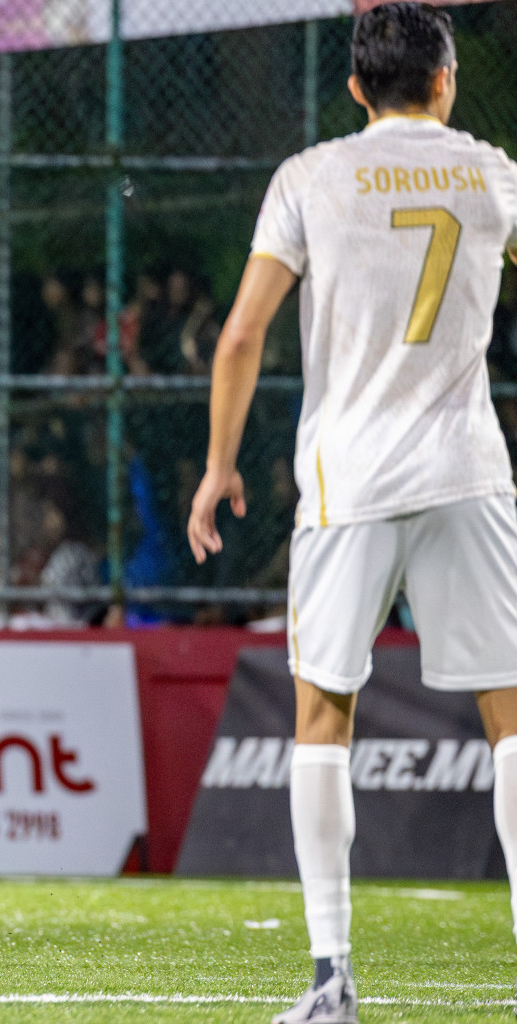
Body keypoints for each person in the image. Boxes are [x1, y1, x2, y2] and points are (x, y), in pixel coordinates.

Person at [187, 6, 517, 1022]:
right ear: (447, 81)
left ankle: (332, 976)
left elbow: (241, 334)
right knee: (510, 718)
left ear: (356, 90)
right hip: (468, 470)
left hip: (348, 479)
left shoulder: (311, 177)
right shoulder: (494, 174)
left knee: (323, 717)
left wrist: (218, 466)